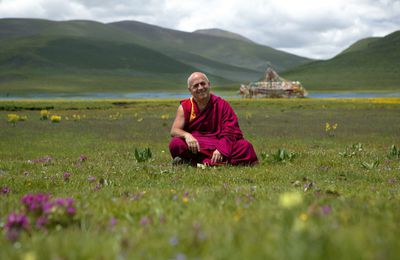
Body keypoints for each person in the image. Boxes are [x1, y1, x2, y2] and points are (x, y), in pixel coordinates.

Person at [169, 72, 258, 166]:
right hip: (197, 144)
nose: (200, 88)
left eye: (203, 83)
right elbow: (174, 130)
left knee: (245, 147)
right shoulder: (185, 107)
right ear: (190, 90)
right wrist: (188, 136)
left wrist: (221, 149)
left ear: (209, 84)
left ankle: (196, 162)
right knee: (176, 143)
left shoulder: (222, 105)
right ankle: (215, 162)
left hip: (219, 141)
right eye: (195, 86)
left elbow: (231, 131)